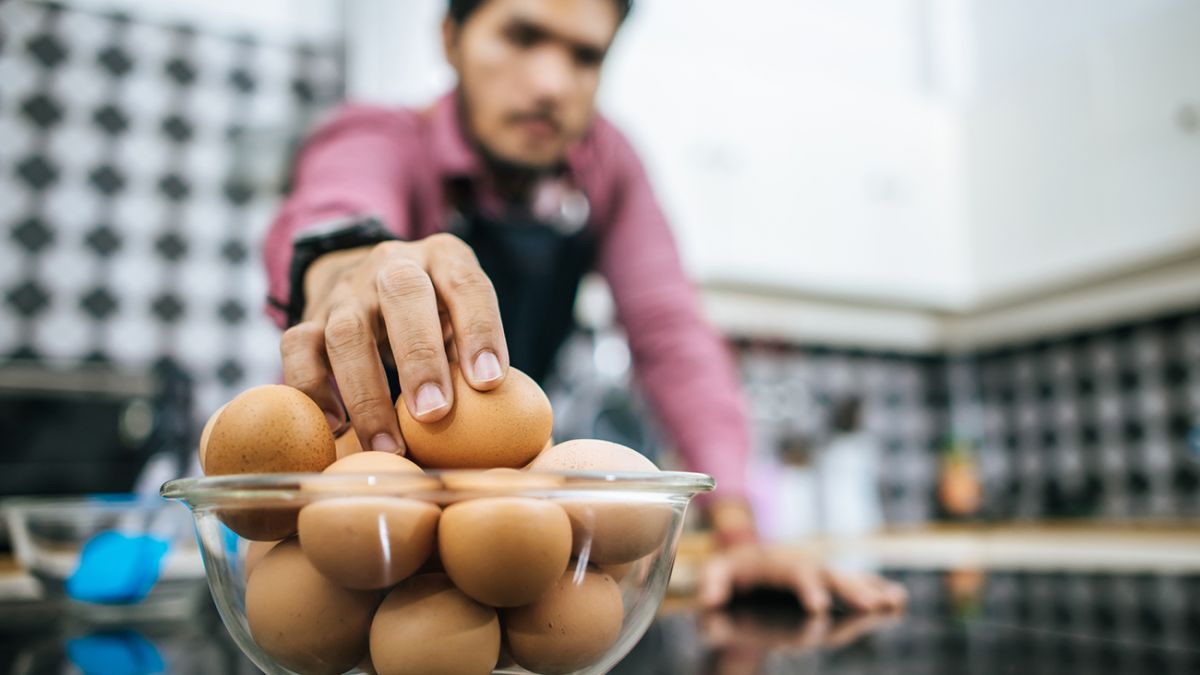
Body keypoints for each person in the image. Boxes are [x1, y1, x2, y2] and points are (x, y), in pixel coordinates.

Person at [263, 0, 905, 613]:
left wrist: (740, 533)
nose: (550, 83)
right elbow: (336, 213)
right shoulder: (384, 136)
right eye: (521, 37)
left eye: (584, 56)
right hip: (349, 518)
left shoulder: (606, 166)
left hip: (495, 526)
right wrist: (346, 268)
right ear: (451, 39)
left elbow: (670, 334)